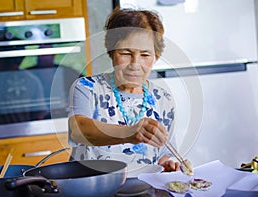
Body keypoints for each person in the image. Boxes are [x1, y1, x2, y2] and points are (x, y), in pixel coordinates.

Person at [68, 7, 180, 172]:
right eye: (126, 53)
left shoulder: (163, 99)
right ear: (111, 52)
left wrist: (166, 163)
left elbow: (163, 150)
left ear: (155, 56)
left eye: (145, 55)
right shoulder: (87, 87)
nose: (135, 64)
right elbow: (78, 130)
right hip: (93, 188)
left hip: (142, 190)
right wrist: (130, 133)